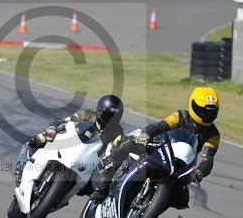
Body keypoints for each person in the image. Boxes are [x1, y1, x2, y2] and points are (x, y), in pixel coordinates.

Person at [91, 86, 220, 207]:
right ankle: (105, 177)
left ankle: (152, 206)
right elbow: (160, 126)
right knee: (130, 141)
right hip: (159, 146)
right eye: (203, 111)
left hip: (181, 164)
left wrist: (199, 172)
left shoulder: (213, 135)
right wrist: (146, 135)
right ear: (193, 105)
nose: (206, 115)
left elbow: (208, 158)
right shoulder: (180, 116)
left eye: (211, 112)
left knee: (182, 199)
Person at [14, 95, 125, 184]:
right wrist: (52, 130)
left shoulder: (118, 133)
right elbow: (62, 121)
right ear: (99, 111)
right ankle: (22, 165)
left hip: (89, 162)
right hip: (69, 143)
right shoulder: (86, 115)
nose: (111, 120)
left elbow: (116, 152)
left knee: (101, 184)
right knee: (38, 139)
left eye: (115, 117)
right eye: (108, 116)